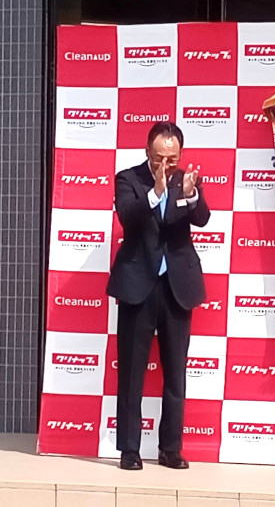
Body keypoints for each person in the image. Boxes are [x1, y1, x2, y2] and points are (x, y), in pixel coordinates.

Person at [107, 121, 210, 470]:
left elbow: (202, 218)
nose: (166, 164)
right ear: (147, 152)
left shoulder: (186, 180)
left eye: (172, 158)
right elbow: (127, 216)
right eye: (159, 158)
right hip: (138, 285)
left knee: (176, 373)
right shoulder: (129, 179)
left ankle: (170, 449)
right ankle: (130, 450)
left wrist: (192, 195)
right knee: (131, 373)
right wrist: (155, 191)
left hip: (176, 287)